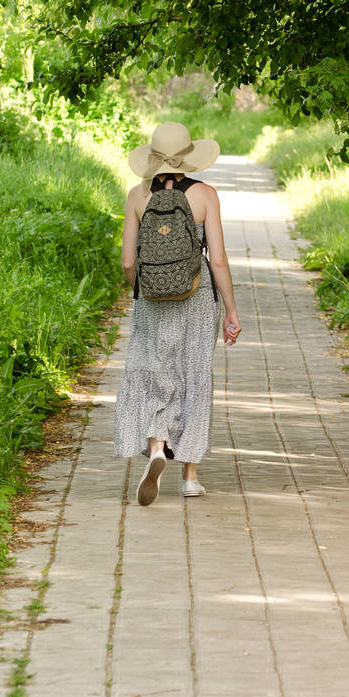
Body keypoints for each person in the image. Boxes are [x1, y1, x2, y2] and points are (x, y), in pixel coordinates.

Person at [113, 121, 242, 505]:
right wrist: (231, 312)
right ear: (187, 156)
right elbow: (216, 260)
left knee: (154, 368)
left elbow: (126, 262)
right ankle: (190, 476)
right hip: (197, 296)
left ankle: (156, 446)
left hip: (151, 298)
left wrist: (144, 290)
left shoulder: (138, 196)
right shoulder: (205, 196)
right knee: (193, 374)